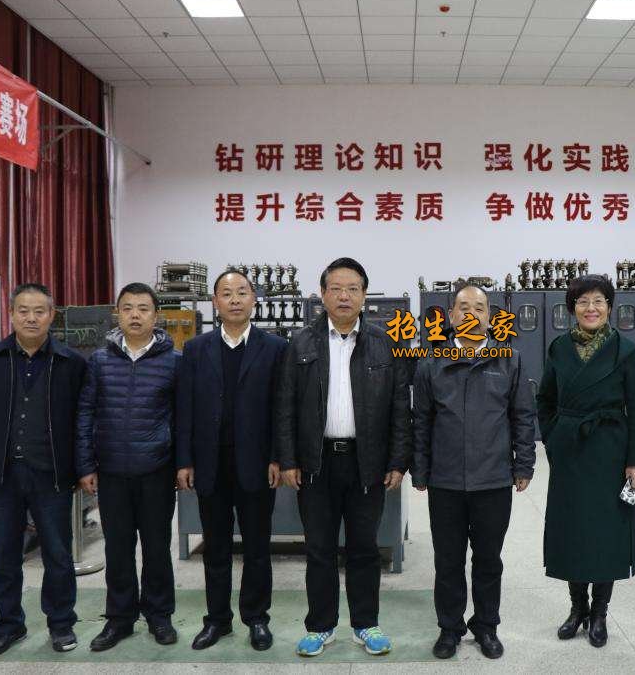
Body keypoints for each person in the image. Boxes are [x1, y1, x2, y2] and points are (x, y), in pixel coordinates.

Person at [275, 257, 411, 657]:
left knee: (364, 548)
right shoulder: (301, 343)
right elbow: (285, 406)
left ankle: (366, 624)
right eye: (336, 288)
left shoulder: (385, 344)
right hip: (316, 463)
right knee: (318, 548)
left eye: (353, 288)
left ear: (364, 295)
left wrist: (397, 461)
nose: (344, 296)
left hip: (366, 462)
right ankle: (320, 626)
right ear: (323, 295)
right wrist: (288, 460)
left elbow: (400, 408)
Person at [412, 285, 536, 660]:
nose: (471, 314)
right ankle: (449, 628)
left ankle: (486, 626)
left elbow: (523, 417)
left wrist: (523, 464)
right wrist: (421, 470)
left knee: (488, 560)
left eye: (479, 308)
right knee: (448, 561)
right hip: (446, 481)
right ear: (451, 316)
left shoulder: (509, 361)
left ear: (490, 317)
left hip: (493, 480)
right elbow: (421, 422)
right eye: (463, 307)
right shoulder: (431, 364)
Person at [0, 283, 87, 658]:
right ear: (11, 314)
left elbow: (82, 421)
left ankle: (61, 623)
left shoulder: (71, 363)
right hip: (0, 476)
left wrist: (81, 468)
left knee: (58, 554)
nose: (31, 318)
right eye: (23, 311)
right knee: (4, 556)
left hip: (51, 474)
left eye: (39, 311)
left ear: (52, 315)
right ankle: (8, 626)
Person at [536, 274, 635, 649]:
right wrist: (553, 437)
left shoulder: (627, 351)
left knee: (605, 534)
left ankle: (600, 612)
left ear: (609, 307)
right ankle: (577, 608)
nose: (591, 308)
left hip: (610, 454)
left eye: (598, 301)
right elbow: (545, 399)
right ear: (572, 308)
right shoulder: (559, 348)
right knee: (572, 530)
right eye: (583, 301)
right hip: (570, 451)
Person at [176, 270, 287, 651]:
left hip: (257, 464)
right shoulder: (196, 349)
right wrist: (185, 460)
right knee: (216, 548)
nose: (235, 299)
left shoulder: (275, 348)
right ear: (215, 302)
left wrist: (277, 456)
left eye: (242, 292)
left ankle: (257, 618)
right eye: (227, 293)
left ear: (254, 299)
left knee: (257, 548)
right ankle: (217, 620)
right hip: (211, 465)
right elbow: (185, 408)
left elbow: (281, 408)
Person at [76, 282, 181, 650]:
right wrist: (85, 465)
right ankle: (119, 619)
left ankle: (159, 616)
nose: (135, 315)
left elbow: (182, 418)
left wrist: (181, 464)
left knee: (157, 548)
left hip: (157, 470)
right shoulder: (99, 361)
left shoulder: (174, 361)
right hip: (112, 471)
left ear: (156, 315)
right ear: (116, 314)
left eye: (143, 308)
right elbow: (85, 413)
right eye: (128, 308)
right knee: (117, 549)